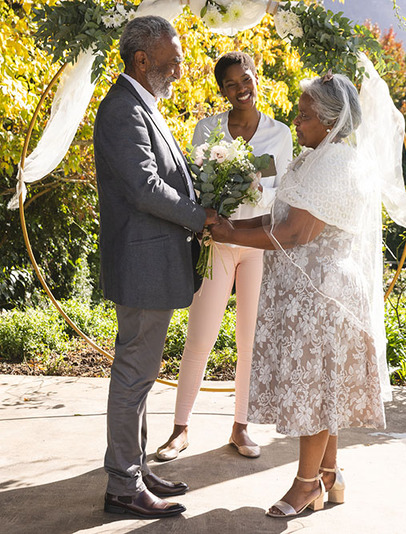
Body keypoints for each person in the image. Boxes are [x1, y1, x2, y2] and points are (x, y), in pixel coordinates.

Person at [210, 71, 406, 517]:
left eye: (305, 115)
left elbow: (296, 231)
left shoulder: (337, 164)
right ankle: (329, 475)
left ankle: (305, 486)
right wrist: (227, 228)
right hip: (308, 296)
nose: (296, 121)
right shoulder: (312, 159)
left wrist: (233, 234)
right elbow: (274, 219)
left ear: (329, 121)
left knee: (317, 393)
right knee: (325, 389)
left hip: (325, 297)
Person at [94, 15, 218, 519]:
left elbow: (167, 174)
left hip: (152, 263)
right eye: (173, 63)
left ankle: (135, 469)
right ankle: (122, 487)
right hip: (142, 264)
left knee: (140, 376)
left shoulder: (142, 104)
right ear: (141, 60)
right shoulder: (123, 110)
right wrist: (200, 217)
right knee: (132, 376)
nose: (180, 72)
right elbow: (145, 187)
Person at [155, 51, 293, 462]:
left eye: (245, 79)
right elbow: (198, 188)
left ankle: (241, 427)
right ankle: (179, 430)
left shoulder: (279, 134)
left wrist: (254, 188)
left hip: (258, 245)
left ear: (256, 77)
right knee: (200, 337)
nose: (240, 89)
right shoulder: (208, 130)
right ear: (222, 90)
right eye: (230, 84)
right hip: (216, 244)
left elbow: (282, 193)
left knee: (249, 340)